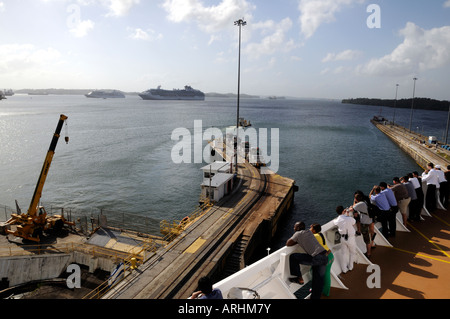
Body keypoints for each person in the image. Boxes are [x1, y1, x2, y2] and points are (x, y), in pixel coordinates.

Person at [286, 221, 328, 299]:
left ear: (298, 228)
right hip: (324, 256)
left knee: (293, 257)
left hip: (316, 258)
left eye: (294, 227)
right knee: (318, 281)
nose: (293, 228)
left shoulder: (298, 233)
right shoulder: (308, 231)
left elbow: (288, 243)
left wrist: (297, 240)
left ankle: (299, 278)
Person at [310, 223, 334, 297]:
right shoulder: (320, 234)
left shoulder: (315, 236)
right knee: (326, 274)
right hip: (330, 255)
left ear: (314, 230)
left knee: (316, 272)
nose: (309, 229)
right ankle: (325, 291)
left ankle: (324, 292)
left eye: (311, 228)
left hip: (325, 257)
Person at [333, 206, 357, 273]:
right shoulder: (349, 218)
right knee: (352, 252)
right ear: (344, 211)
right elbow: (354, 222)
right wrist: (347, 215)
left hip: (343, 238)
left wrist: (345, 215)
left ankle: (344, 269)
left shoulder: (337, 220)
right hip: (350, 238)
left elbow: (335, 222)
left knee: (343, 253)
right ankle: (350, 267)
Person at [351, 194, 373, 258]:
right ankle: (371, 246)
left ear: (356, 199)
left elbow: (353, 207)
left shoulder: (360, 204)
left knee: (367, 239)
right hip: (369, 220)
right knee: (368, 236)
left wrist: (354, 201)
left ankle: (369, 253)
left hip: (364, 223)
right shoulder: (365, 202)